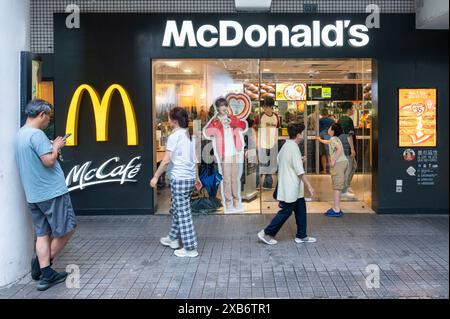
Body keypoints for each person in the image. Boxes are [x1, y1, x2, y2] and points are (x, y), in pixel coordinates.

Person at [15, 99, 77, 291]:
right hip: (51, 192)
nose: (48, 120)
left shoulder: (20, 134)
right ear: (41, 115)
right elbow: (48, 161)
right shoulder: (37, 135)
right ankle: (44, 266)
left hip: (34, 194)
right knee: (68, 228)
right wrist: (57, 146)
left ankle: (45, 271)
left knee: (42, 234)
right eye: (48, 115)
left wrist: (50, 145)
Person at [150, 107, 201, 258]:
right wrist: (196, 178)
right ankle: (172, 238)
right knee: (179, 209)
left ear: (174, 120)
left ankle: (190, 248)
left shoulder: (175, 136)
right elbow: (195, 160)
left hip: (180, 179)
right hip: (190, 178)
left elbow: (166, 160)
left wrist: (155, 176)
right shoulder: (190, 136)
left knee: (184, 213)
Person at [258, 123, 317, 245]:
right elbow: (300, 172)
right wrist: (309, 186)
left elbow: (284, 161)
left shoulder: (286, 146)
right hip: (291, 188)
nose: (303, 135)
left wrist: (299, 160)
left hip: (293, 189)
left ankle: (301, 235)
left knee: (301, 209)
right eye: (302, 133)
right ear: (298, 135)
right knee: (286, 212)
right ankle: (266, 233)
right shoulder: (294, 148)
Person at [203, 98, 247, 213]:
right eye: (221, 106)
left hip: (235, 152)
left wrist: (232, 122)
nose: (224, 108)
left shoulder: (232, 117)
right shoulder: (216, 120)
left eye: (225, 105)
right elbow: (208, 132)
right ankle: (229, 202)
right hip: (224, 154)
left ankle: (236, 200)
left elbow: (242, 126)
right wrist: (220, 125)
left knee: (235, 179)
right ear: (217, 108)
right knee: (227, 179)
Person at [316, 123, 349, 217]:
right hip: (343, 162)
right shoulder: (335, 139)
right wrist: (320, 140)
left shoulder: (333, 139)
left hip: (339, 163)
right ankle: (336, 207)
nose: (328, 129)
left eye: (330, 128)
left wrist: (333, 161)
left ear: (333, 131)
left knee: (336, 187)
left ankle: (336, 209)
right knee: (337, 186)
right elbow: (328, 142)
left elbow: (338, 149)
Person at [258, 96, 280, 189]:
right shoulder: (260, 116)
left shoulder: (276, 116)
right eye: (264, 107)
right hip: (262, 144)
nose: (264, 109)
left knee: (270, 164)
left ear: (271, 106)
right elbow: (254, 130)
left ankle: (268, 183)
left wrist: (275, 140)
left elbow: (277, 129)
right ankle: (255, 183)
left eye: (266, 107)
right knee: (262, 164)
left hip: (272, 144)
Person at [338, 102, 357, 195]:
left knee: (353, 166)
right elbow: (349, 135)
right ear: (349, 109)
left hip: (343, 147)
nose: (353, 110)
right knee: (349, 168)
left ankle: (347, 186)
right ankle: (344, 190)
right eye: (353, 108)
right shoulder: (347, 120)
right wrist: (352, 149)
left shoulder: (340, 119)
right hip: (347, 148)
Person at [318, 109, 335, 174]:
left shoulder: (320, 120)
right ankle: (330, 170)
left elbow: (317, 129)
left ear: (321, 114)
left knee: (323, 154)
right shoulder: (332, 120)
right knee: (330, 153)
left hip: (322, 136)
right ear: (327, 114)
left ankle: (324, 170)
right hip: (329, 136)